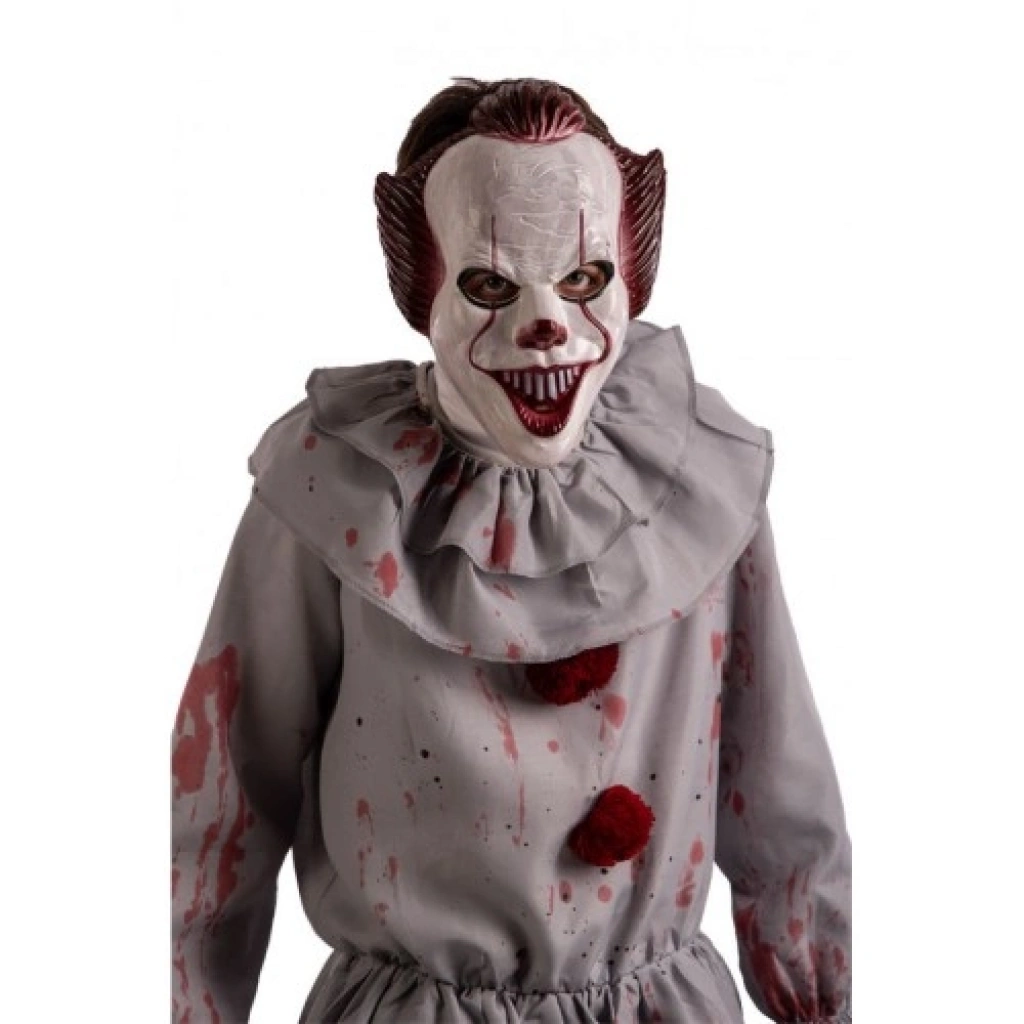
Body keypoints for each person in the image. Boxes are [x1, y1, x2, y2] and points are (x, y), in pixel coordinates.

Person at [171, 76, 852, 1023]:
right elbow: (225, 796)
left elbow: (775, 771)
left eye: (584, 280)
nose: (547, 324)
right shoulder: (335, 493)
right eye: (491, 284)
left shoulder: (701, 478)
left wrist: (815, 986)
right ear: (421, 288)